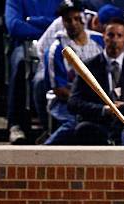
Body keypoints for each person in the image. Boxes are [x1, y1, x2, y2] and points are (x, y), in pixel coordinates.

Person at [67, 18, 124, 144]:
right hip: (98, 124)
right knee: (83, 129)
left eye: (119, 35)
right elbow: (73, 102)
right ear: (104, 36)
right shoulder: (88, 67)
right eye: (111, 35)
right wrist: (104, 109)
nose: (115, 39)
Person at [41, 0, 104, 145]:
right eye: (68, 20)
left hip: (96, 99)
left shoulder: (99, 40)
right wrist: (84, 105)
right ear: (63, 22)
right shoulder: (56, 48)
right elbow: (59, 90)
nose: (73, 23)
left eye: (77, 18)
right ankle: (43, 153)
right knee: (73, 123)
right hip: (64, 102)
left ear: (84, 18)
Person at [5, 0, 63, 143]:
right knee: (20, 61)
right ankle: (15, 123)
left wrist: (34, 21)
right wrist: (49, 27)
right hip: (25, 43)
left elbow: (65, 23)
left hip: (58, 43)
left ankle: (55, 125)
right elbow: (14, 26)